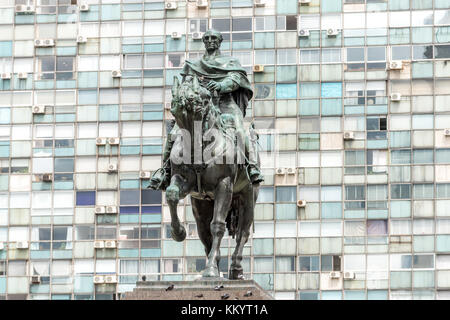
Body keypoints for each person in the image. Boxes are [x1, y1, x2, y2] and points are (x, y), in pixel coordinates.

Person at [148, 29, 264, 190]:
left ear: (220, 40)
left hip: (225, 104)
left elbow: (236, 80)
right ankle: (165, 170)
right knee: (175, 132)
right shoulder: (194, 65)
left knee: (240, 130)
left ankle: (251, 166)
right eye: (207, 38)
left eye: (214, 38)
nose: (210, 40)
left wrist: (221, 85)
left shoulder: (230, 62)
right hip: (200, 107)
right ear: (203, 41)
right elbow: (187, 84)